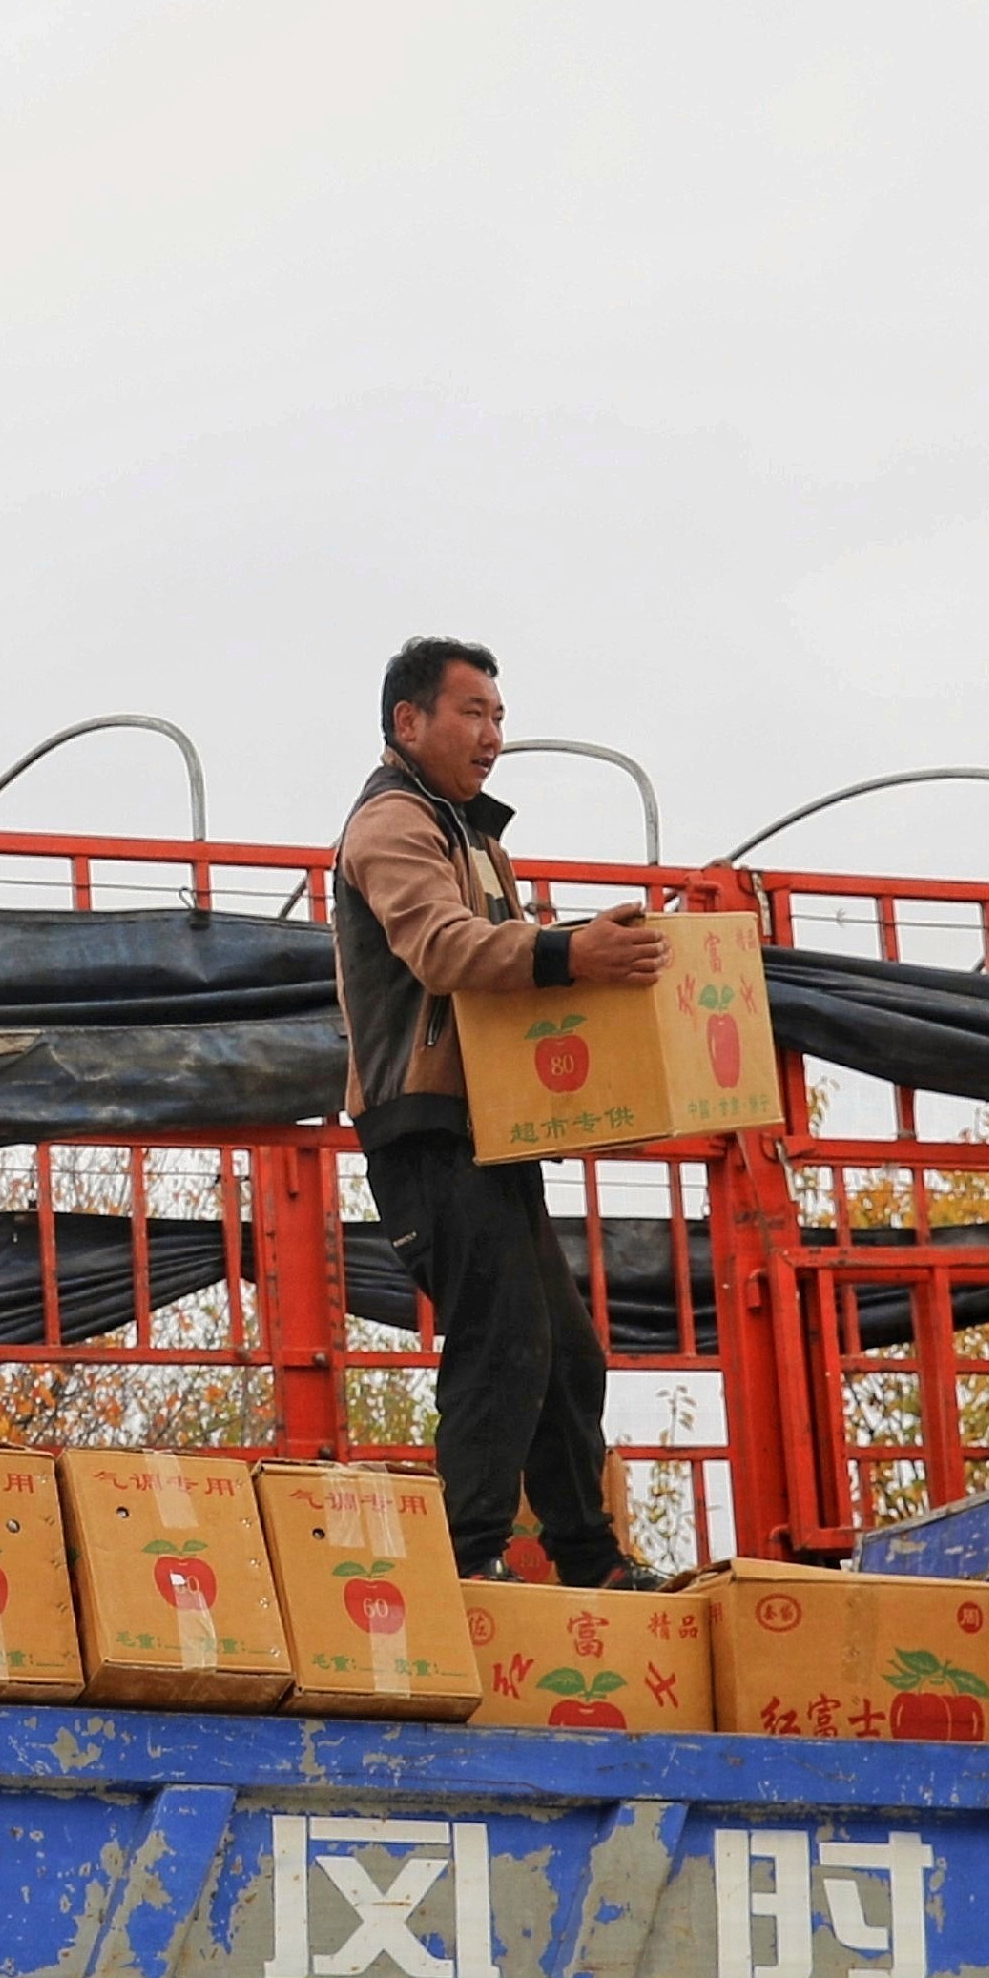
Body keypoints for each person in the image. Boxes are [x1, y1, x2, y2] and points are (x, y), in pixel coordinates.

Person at [331, 635, 673, 1589]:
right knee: (504, 1337)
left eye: (499, 718)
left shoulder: (470, 830)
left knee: (566, 1349)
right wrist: (570, 956)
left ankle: (591, 1561)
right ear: (409, 721)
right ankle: (465, 1562)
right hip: (426, 1129)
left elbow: (504, 980)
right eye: (472, 713)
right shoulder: (392, 824)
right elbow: (447, 951)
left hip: (493, 1130)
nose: (491, 736)